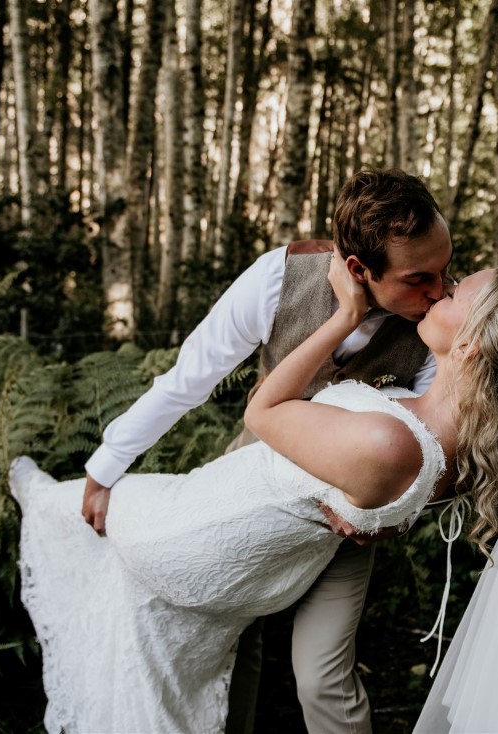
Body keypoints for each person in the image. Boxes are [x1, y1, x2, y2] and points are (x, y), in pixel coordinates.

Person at [11, 259, 498, 733]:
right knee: (153, 643)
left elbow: (262, 410)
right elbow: (408, 485)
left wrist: (346, 315)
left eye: (454, 293)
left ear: (474, 346)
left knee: (58, 509)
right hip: (247, 548)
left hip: (189, 533)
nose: (440, 292)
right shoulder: (458, 434)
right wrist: (383, 513)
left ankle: (31, 489)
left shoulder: (389, 441)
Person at [80, 168, 453, 734]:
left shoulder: (437, 327)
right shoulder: (277, 279)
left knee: (322, 675)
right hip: (254, 496)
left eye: (446, 269)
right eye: (419, 278)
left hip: (346, 526)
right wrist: (106, 467)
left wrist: (386, 522)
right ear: (359, 269)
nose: (440, 292)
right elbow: (189, 379)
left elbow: (435, 448)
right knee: (233, 649)